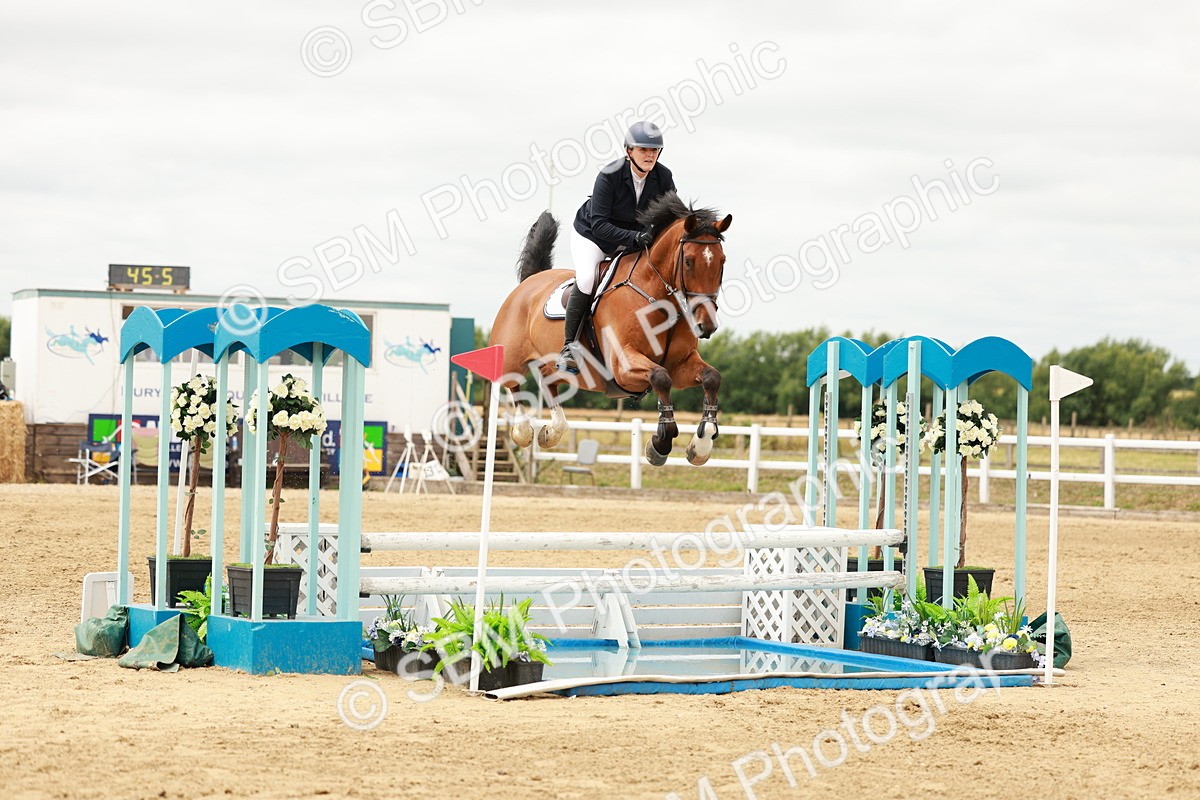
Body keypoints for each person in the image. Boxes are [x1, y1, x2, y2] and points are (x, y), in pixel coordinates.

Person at [557, 120, 677, 374]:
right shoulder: (609, 176)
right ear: (628, 151)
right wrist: (635, 237)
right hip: (593, 237)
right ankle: (570, 347)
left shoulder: (663, 177)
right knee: (588, 278)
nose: (649, 155)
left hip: (633, 240)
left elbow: (673, 217)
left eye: (654, 150)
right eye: (643, 149)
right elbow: (600, 225)